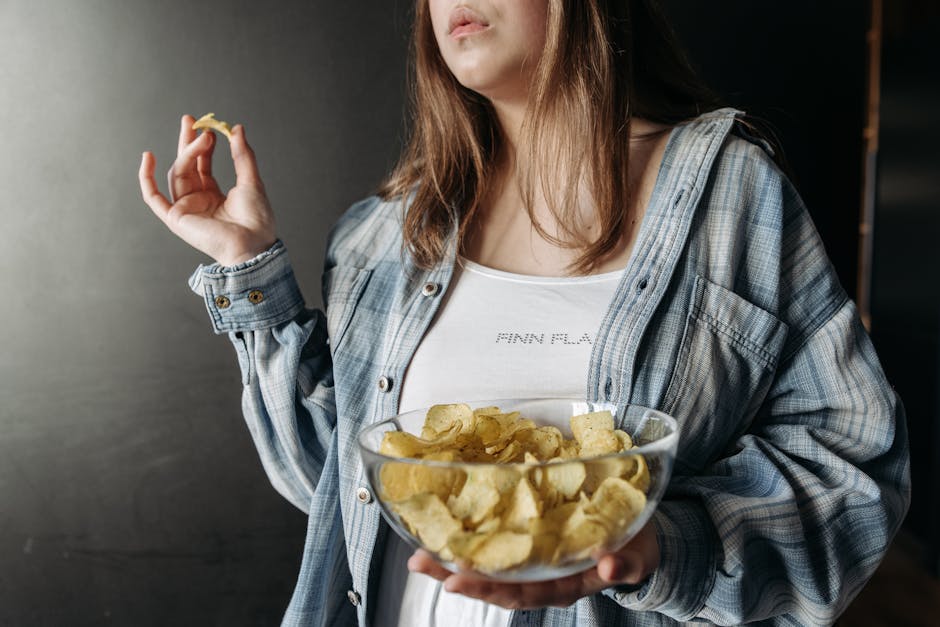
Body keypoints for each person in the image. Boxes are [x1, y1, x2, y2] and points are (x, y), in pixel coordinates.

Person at [138, 0, 911, 625]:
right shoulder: (387, 231)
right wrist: (248, 264)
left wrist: (661, 548)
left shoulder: (730, 195)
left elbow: (854, 471)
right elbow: (331, 484)